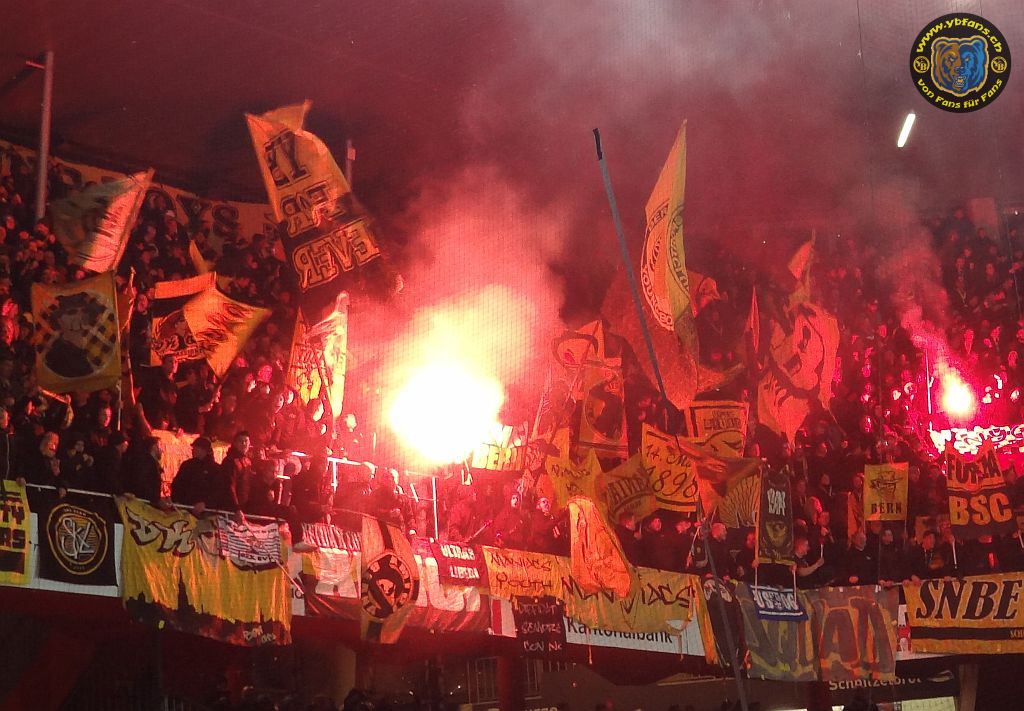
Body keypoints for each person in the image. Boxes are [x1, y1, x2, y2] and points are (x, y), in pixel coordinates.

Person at [171, 437, 217, 513]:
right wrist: (176, 500)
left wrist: (205, 504)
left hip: (204, 512)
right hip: (184, 508)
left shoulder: (214, 469)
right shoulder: (187, 465)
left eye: (195, 448)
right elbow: (177, 484)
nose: (192, 450)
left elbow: (217, 491)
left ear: (203, 450)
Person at [218, 431, 254, 513]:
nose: (244, 444)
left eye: (246, 441)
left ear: (249, 443)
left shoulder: (247, 461)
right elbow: (229, 486)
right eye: (240, 441)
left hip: (243, 507)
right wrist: (236, 508)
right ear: (234, 443)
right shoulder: (230, 461)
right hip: (230, 509)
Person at [124, 435, 164, 503]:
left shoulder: (150, 463)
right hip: (142, 503)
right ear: (154, 447)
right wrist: (155, 499)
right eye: (160, 446)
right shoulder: (145, 462)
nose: (162, 450)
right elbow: (141, 483)